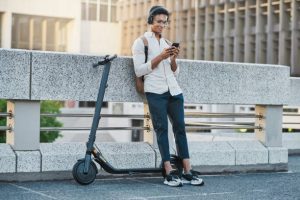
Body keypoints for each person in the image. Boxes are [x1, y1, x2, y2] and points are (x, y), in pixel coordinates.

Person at [131, 5, 204, 187]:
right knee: (162, 130)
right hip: (155, 91)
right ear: (150, 21)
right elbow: (139, 69)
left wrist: (172, 59)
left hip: (174, 91)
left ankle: (188, 170)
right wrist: (160, 57)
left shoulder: (166, 42)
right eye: (158, 22)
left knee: (180, 128)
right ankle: (169, 172)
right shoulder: (141, 42)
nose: (162, 25)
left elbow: (175, 72)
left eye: (164, 22)